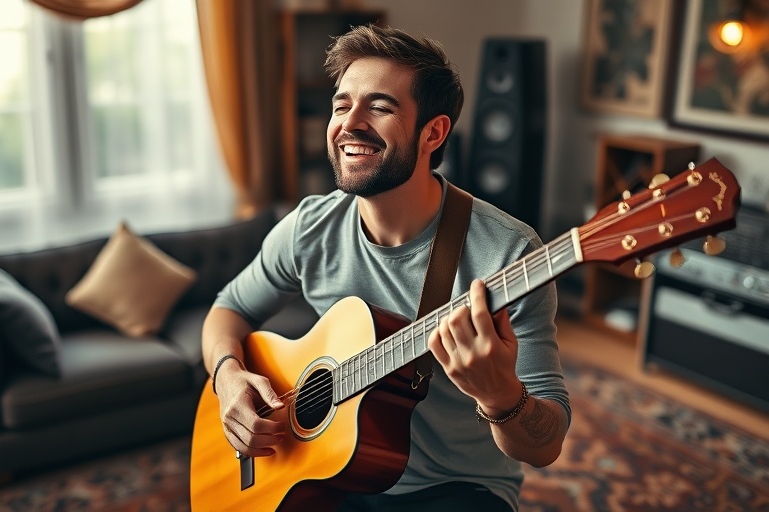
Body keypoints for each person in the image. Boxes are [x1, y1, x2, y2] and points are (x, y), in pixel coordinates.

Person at [201, 24, 570, 512]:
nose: (349, 124)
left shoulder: (511, 254)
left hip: (455, 488)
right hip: (326, 474)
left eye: (379, 107)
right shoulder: (310, 227)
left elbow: (544, 447)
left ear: (433, 133)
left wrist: (502, 397)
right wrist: (228, 378)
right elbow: (227, 311)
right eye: (341, 104)